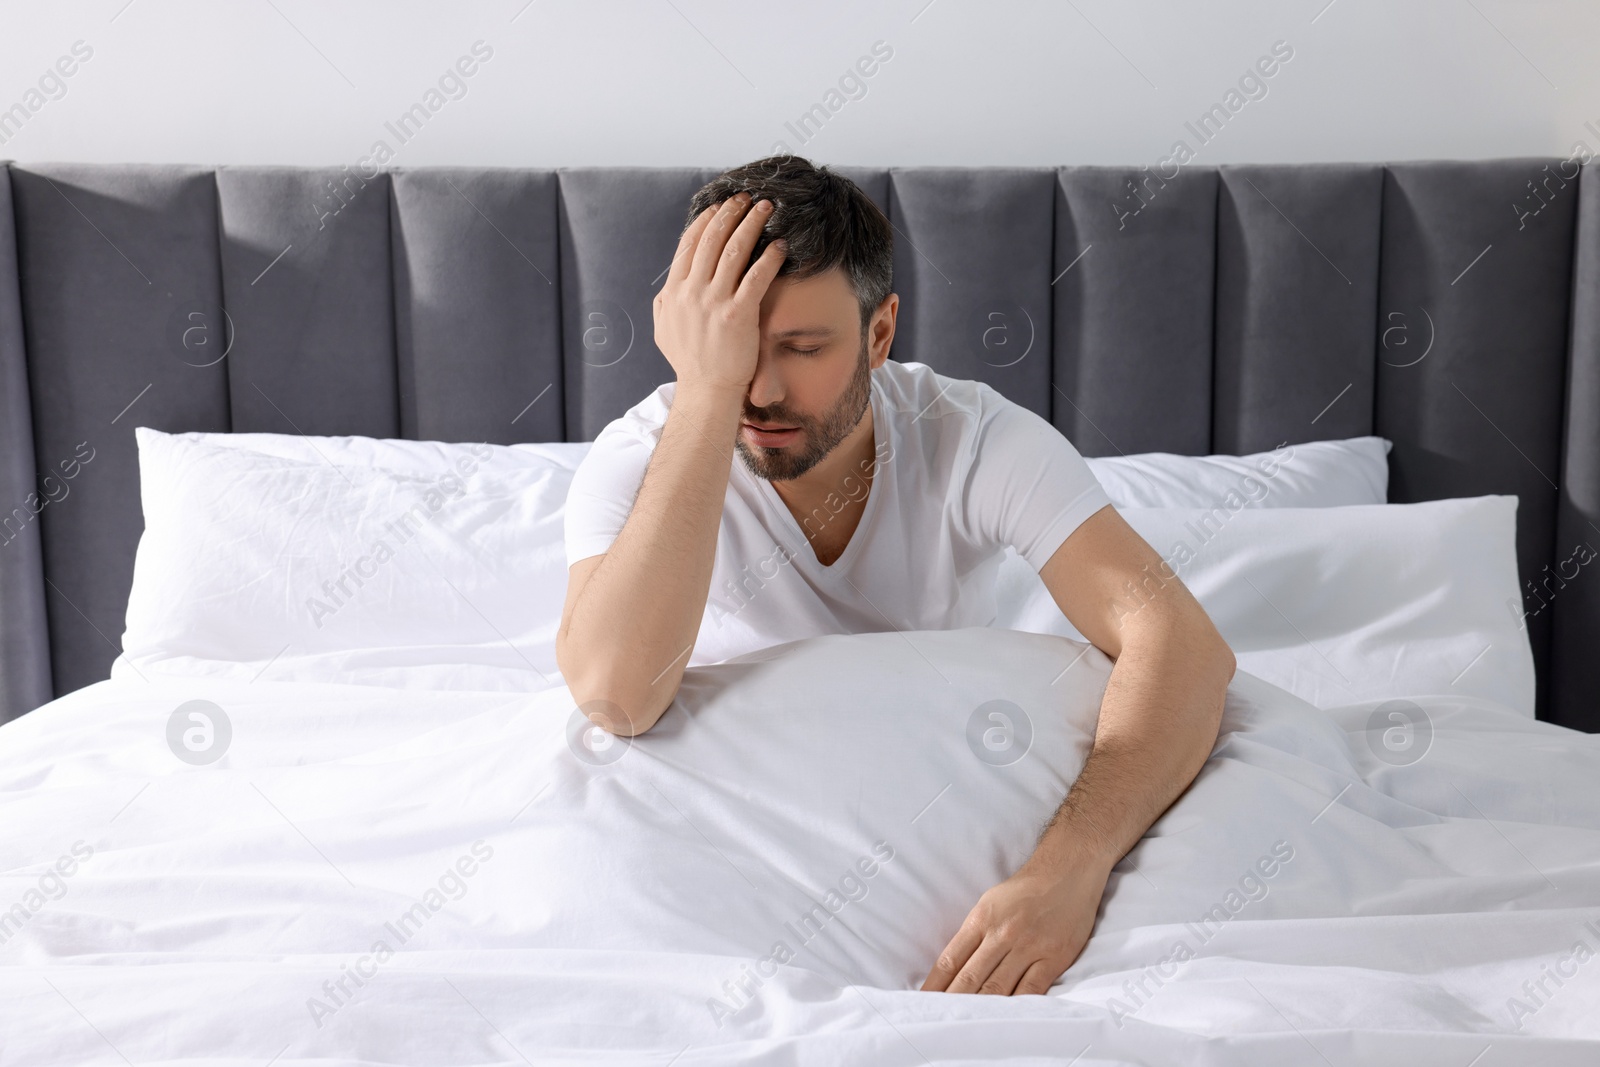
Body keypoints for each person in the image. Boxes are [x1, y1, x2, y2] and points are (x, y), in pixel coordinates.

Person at [556, 155, 1236, 997]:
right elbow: (616, 696)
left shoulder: (969, 438)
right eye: (734, 350)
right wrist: (705, 391)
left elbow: (1182, 643)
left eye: (801, 348)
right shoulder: (640, 456)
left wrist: (1071, 867)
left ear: (880, 335)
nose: (759, 389)